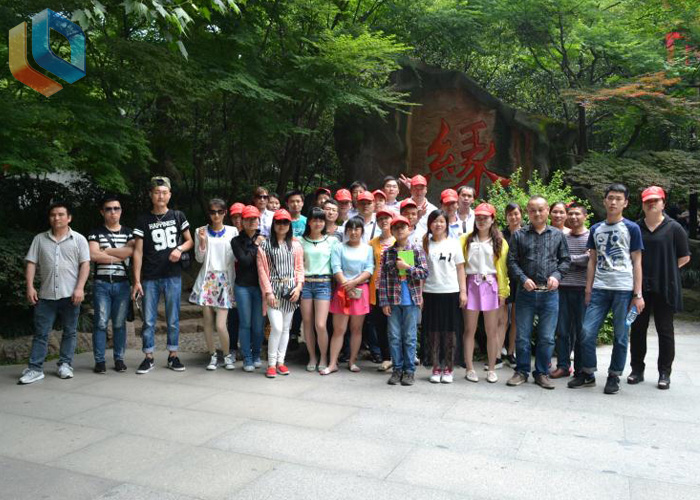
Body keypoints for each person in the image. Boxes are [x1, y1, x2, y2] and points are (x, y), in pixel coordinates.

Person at [570, 183, 644, 395]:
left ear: (625, 203)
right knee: (586, 332)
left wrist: (637, 294)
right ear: (604, 201)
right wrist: (588, 289)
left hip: (623, 289)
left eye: (618, 199)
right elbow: (592, 261)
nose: (613, 202)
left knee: (620, 336)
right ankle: (588, 373)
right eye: (610, 198)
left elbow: (637, 262)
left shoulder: (632, 228)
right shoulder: (596, 229)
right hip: (599, 288)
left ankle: (614, 376)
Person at [19, 202, 90, 385]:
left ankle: (65, 364)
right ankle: (35, 369)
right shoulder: (39, 239)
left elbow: (85, 264)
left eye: (60, 214)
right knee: (41, 333)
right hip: (46, 295)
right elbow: (31, 263)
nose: (56, 218)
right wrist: (29, 286)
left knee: (70, 332)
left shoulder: (79, 239)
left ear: (69, 218)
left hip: (71, 295)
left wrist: (80, 288)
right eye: (53, 215)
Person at [628, 186, 690, 390]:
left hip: (666, 286)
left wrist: (666, 270)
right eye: (647, 201)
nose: (651, 203)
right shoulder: (636, 227)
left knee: (665, 330)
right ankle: (637, 370)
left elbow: (684, 257)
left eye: (655, 200)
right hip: (640, 286)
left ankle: (664, 372)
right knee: (637, 329)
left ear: (663, 203)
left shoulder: (674, 228)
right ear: (642, 204)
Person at [506, 195, 570, 390]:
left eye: (541, 209)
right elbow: (511, 261)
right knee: (522, 336)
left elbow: (565, 260)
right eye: (533, 210)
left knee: (547, 337)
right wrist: (523, 279)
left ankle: (541, 373)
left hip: (549, 294)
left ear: (547, 210)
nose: (537, 213)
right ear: (527, 212)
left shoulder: (558, 235)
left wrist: (557, 276)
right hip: (526, 293)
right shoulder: (519, 235)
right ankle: (522, 371)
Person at [132, 176, 194, 374]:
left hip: (172, 275)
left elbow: (189, 241)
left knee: (173, 319)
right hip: (150, 276)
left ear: (170, 195)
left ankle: (173, 355)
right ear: (151, 194)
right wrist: (136, 280)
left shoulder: (177, 216)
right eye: (157, 192)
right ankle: (148, 357)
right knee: (148, 320)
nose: (160, 196)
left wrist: (179, 249)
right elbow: (138, 252)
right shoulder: (143, 220)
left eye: (164, 192)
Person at [461, 203, 510, 383]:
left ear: (492, 219)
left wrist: (503, 291)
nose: (481, 221)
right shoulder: (465, 240)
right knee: (469, 329)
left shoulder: (500, 242)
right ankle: (469, 368)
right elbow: (460, 267)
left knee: (492, 330)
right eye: (478, 217)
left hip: (491, 285)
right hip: (471, 285)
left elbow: (503, 269)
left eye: (485, 218)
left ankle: (491, 368)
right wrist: (462, 290)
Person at [379, 215, 429, 386]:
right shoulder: (388, 252)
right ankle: (397, 369)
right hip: (393, 301)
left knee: (409, 337)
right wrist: (384, 302)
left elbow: (424, 273)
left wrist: (408, 268)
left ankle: (409, 371)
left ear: (409, 229)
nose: (400, 230)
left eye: (403, 227)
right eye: (396, 227)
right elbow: (383, 278)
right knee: (394, 336)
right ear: (392, 231)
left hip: (411, 301)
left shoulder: (417, 250)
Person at [87, 195, 134, 374]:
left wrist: (106, 251)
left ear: (121, 211)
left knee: (119, 324)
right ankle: (99, 361)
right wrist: (119, 255)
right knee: (100, 323)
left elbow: (131, 251)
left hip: (122, 284)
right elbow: (93, 255)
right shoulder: (95, 232)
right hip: (102, 283)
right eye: (108, 209)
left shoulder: (129, 232)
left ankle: (119, 359)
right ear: (102, 212)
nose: (113, 212)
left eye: (116, 208)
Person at [321, 217, 374, 375]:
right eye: (350, 229)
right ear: (345, 231)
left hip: (360, 290)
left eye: (357, 229)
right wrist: (346, 284)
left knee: (356, 329)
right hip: (342, 290)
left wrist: (354, 282)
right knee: (339, 329)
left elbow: (369, 269)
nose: (353, 232)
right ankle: (332, 363)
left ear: (362, 231)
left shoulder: (368, 249)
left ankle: (352, 361)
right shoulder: (339, 247)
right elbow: (336, 267)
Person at [191, 198, 237, 371]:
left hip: (225, 279)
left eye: (220, 211)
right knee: (208, 322)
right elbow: (199, 258)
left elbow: (235, 257)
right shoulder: (200, 231)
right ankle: (212, 355)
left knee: (220, 324)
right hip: (208, 280)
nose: (216, 215)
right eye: (212, 212)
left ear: (225, 212)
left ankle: (227, 355)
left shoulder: (232, 231)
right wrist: (202, 241)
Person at [257, 209, 304, 378]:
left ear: (289, 225)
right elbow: (262, 271)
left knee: (285, 328)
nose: (282, 225)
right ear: (273, 224)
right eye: (278, 222)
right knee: (276, 327)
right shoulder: (264, 245)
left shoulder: (296, 245)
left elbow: (299, 267)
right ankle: (271, 363)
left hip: (291, 290)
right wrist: (268, 292)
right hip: (274, 290)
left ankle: (280, 362)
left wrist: (299, 287)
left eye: (285, 222)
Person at [422, 210, 467, 384]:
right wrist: (420, 294)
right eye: (435, 221)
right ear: (429, 224)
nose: (438, 224)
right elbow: (421, 272)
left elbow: (460, 268)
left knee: (450, 331)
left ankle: (448, 367)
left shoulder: (454, 244)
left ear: (447, 224)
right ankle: (436, 366)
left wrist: (463, 292)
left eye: (441, 221)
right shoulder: (425, 244)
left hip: (451, 292)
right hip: (430, 292)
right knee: (433, 331)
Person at [550, 202, 589, 379]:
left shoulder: (591, 236)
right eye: (571, 214)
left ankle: (580, 368)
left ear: (585, 216)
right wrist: (574, 260)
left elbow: (589, 259)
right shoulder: (562, 237)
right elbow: (556, 259)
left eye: (577, 214)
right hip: (562, 288)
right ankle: (563, 366)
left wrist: (567, 259)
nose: (573, 217)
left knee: (581, 331)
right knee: (562, 330)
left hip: (582, 289)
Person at [300, 207, 339, 371]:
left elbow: (337, 264)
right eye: (315, 220)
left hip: (324, 283)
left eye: (321, 220)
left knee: (320, 324)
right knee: (307, 323)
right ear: (309, 222)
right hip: (305, 284)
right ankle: (312, 357)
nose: (318, 223)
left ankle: (323, 356)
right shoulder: (299, 241)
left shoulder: (332, 241)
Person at [231, 205, 266, 372]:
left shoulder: (265, 239)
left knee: (258, 325)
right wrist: (256, 245)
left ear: (259, 220)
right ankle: (247, 358)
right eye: (248, 219)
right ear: (242, 221)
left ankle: (257, 354)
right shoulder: (236, 241)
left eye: (254, 218)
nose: (252, 221)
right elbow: (244, 261)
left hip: (260, 287)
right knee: (245, 323)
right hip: (243, 286)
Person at [368, 209, 395, 372]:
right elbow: (368, 265)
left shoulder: (400, 239)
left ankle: (400, 357)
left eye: (387, 218)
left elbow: (407, 266)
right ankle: (386, 357)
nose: (384, 221)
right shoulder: (372, 243)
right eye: (380, 219)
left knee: (397, 325)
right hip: (377, 289)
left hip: (396, 289)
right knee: (380, 324)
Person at [500, 202, 522, 367]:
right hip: (503, 279)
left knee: (515, 318)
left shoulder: (526, 233)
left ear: (521, 215)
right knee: (502, 319)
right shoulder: (500, 235)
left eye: (516, 213)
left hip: (520, 279)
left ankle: (511, 352)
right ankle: (498, 351)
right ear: (506, 217)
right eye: (510, 214)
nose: (513, 217)